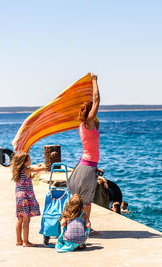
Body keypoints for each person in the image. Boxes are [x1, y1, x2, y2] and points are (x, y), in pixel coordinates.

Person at [67, 73, 100, 233]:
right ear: (89, 112)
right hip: (87, 167)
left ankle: (85, 226)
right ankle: (84, 227)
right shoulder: (87, 122)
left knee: (86, 200)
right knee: (86, 200)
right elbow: (97, 99)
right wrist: (94, 80)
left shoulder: (82, 125)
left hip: (86, 166)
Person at [10, 151, 46, 247]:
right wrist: (42, 164)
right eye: (29, 159)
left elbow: (35, 180)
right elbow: (43, 168)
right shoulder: (28, 169)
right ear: (25, 161)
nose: (31, 160)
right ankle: (26, 242)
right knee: (26, 220)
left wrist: (36, 172)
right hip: (26, 197)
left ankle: (19, 240)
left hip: (19, 197)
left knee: (20, 218)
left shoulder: (17, 170)